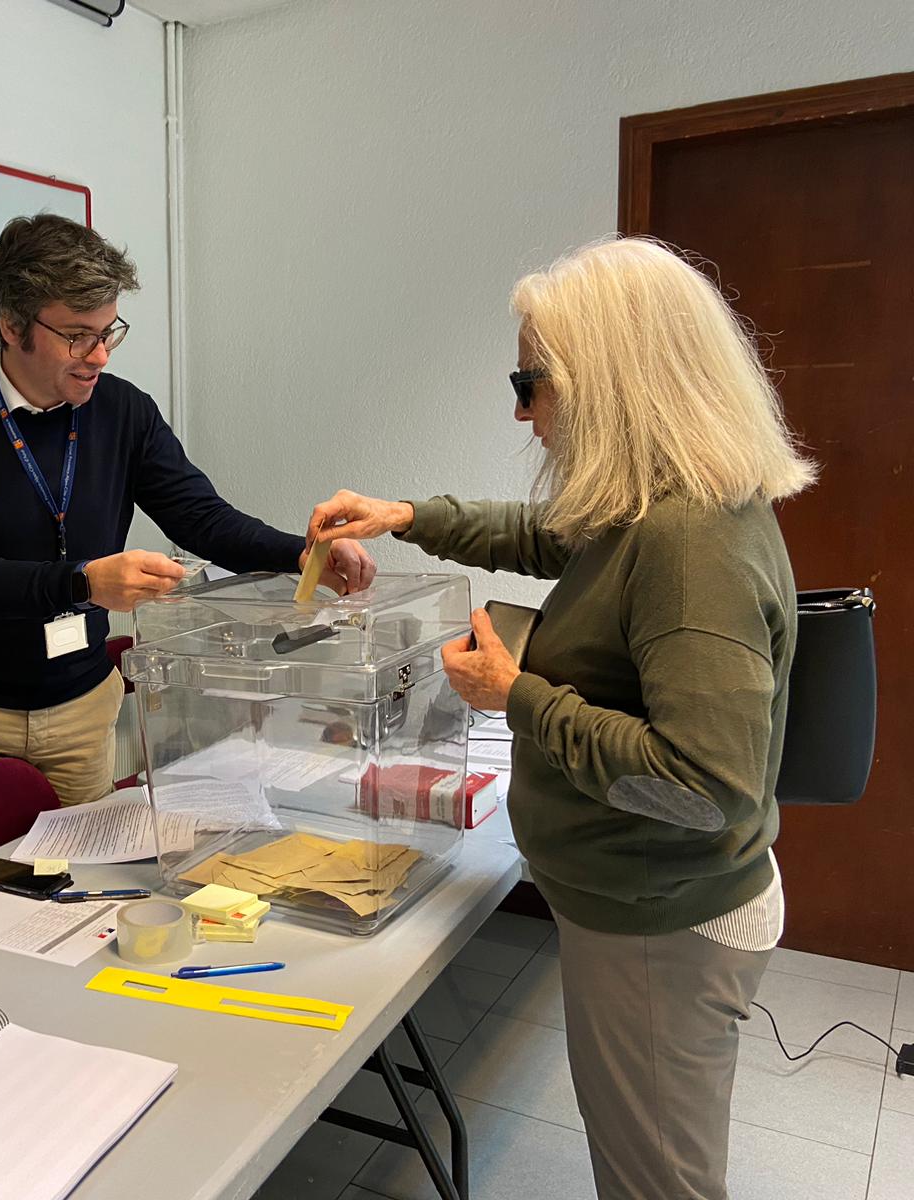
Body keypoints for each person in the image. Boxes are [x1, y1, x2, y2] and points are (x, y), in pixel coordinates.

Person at [307, 237, 814, 1200]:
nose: (521, 411)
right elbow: (543, 534)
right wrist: (405, 515)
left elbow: (706, 789)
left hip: (664, 919)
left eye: (530, 383)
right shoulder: (656, 504)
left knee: (654, 1183)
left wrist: (520, 697)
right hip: (639, 900)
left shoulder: (690, 544)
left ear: (610, 383)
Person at [0, 213, 374, 804]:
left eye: (109, 332)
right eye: (78, 336)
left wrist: (302, 555)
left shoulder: (124, 411)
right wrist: (83, 582)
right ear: (12, 326)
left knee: (81, 861)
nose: (100, 355)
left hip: (80, 707)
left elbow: (201, 517)